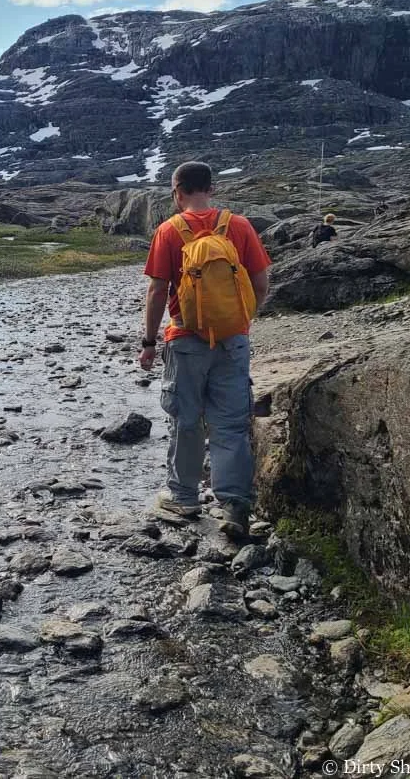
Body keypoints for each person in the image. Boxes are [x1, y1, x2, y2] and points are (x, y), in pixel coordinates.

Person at [138, 162, 272, 539]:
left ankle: (183, 497)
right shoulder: (239, 226)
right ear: (211, 189)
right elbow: (260, 282)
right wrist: (241, 320)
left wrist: (149, 343)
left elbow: (157, 292)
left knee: (186, 419)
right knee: (230, 424)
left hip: (185, 340)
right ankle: (234, 506)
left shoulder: (169, 231)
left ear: (177, 191)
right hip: (233, 339)